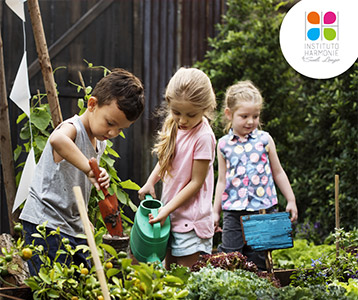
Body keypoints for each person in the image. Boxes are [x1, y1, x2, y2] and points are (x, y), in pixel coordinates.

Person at [19, 68, 145, 275]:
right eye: (110, 123)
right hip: (45, 224)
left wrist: (85, 216)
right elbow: (57, 140)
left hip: (72, 226)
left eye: (121, 129)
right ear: (92, 104)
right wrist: (90, 169)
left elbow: (77, 184)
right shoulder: (72, 127)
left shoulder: (99, 143)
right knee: (50, 286)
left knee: (79, 285)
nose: (113, 133)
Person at [213, 80, 298, 270]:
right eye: (244, 116)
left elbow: (278, 172)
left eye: (255, 116)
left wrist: (290, 199)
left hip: (263, 209)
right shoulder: (223, 144)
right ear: (229, 114)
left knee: (259, 259)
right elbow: (221, 181)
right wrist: (214, 211)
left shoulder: (265, 139)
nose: (250, 121)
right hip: (233, 211)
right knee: (230, 257)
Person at [138, 67, 217, 269]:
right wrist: (151, 181)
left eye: (191, 114)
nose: (182, 120)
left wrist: (166, 209)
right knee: (169, 274)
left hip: (191, 221)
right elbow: (167, 158)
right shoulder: (174, 125)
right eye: (176, 112)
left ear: (205, 108)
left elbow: (196, 182)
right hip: (171, 215)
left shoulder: (203, 137)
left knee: (186, 277)